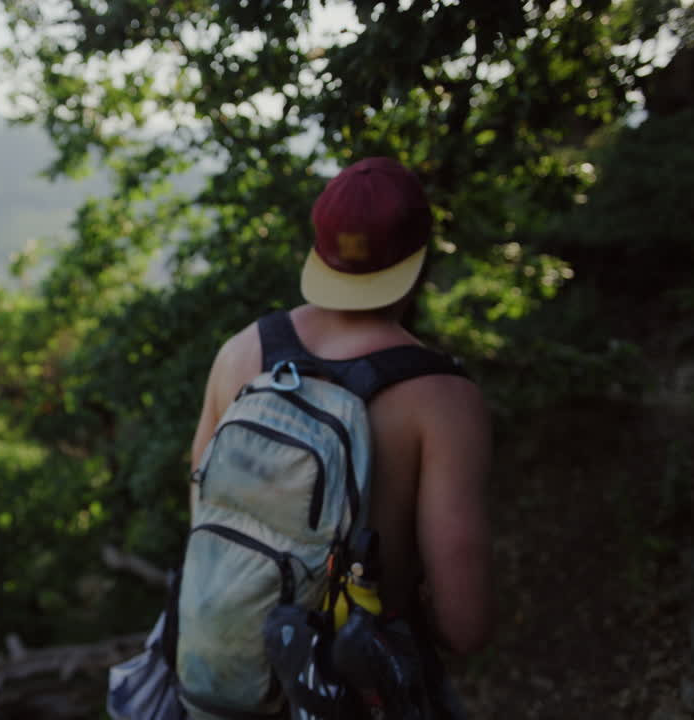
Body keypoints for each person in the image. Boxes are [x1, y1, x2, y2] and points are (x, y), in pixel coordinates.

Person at [188, 157, 493, 659]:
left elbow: (204, 519)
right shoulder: (443, 400)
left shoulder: (239, 354)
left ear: (319, 247)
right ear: (419, 257)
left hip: (224, 678)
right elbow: (466, 625)